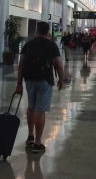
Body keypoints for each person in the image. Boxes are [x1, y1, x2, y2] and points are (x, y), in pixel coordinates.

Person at [16, 21, 65, 154]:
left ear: (37, 30)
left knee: (31, 108)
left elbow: (21, 65)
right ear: (48, 32)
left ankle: (30, 136)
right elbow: (59, 65)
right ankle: (38, 143)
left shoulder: (28, 44)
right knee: (40, 110)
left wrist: (19, 83)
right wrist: (61, 79)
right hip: (45, 80)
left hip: (29, 79)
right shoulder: (51, 45)